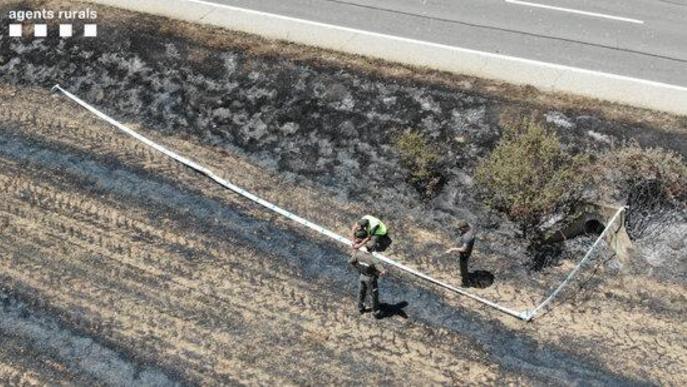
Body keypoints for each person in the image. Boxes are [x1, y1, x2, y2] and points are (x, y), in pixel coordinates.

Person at [349, 251, 386, 318]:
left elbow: (351, 261)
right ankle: (375, 311)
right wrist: (378, 274)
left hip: (362, 276)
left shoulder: (358, 254)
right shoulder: (372, 258)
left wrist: (359, 269)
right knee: (374, 295)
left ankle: (360, 308)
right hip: (370, 279)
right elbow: (383, 271)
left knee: (361, 292)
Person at [445, 220, 475, 287]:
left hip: (465, 253)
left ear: (464, 228)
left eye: (460, 229)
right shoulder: (471, 226)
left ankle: (466, 283)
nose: (459, 230)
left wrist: (451, 249)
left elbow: (463, 249)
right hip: (470, 246)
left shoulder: (467, 237)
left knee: (463, 267)